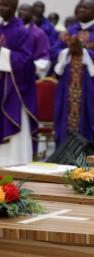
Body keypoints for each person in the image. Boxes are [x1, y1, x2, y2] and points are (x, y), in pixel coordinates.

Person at [53, 0, 94, 152]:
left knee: (90, 123)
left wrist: (84, 52)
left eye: (86, 8)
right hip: (67, 88)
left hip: (92, 89)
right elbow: (55, 51)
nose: (82, 10)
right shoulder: (70, 30)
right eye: (80, 7)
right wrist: (67, 51)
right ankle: (64, 160)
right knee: (66, 124)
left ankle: (89, 161)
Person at [0, 0, 37, 166]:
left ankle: (14, 166)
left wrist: (2, 52)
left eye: (6, 5)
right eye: (0, 4)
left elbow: (26, 62)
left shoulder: (22, 31)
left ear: (15, 7)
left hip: (12, 91)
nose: (2, 8)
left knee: (14, 137)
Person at [18, 3, 50, 78]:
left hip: (29, 74)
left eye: (25, 10)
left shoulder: (39, 34)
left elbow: (44, 58)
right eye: (20, 10)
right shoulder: (12, 30)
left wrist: (29, 67)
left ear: (32, 14)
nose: (22, 12)